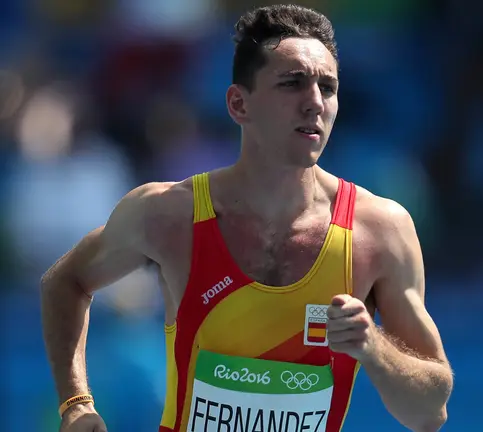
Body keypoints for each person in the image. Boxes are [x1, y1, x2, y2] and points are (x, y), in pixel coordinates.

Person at [40, 4, 453, 432]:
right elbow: (65, 282)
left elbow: (429, 413)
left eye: (327, 87)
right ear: (239, 104)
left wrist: (373, 346)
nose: (314, 102)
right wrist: (76, 404)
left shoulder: (379, 230)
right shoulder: (168, 214)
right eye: (292, 83)